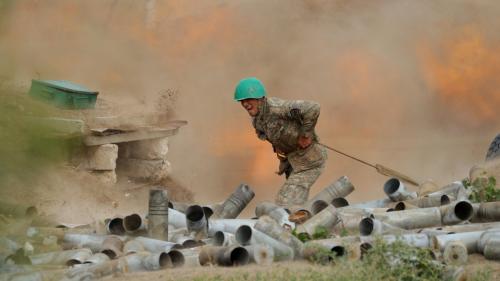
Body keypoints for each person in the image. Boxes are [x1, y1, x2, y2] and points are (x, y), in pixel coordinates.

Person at [234, 77, 327, 207]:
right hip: (293, 163)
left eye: (248, 99)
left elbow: (313, 108)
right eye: (242, 101)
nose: (245, 104)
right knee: (296, 205)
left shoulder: (277, 108)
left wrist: (306, 135)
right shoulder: (257, 121)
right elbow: (275, 137)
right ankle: (308, 224)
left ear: (260, 98)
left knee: (285, 202)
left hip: (309, 161)